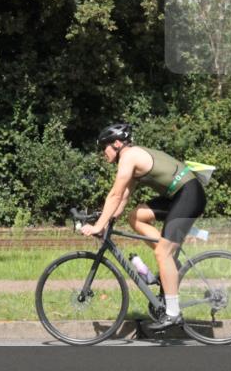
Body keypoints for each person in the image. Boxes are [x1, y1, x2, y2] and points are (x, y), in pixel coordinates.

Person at [80, 122, 207, 330]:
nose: (103, 153)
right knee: (135, 216)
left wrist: (97, 226)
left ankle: (173, 313)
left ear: (118, 144)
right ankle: (167, 260)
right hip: (179, 196)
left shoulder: (129, 157)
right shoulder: (131, 158)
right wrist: (106, 219)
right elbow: (122, 199)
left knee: (163, 254)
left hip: (189, 195)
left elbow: (114, 194)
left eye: (105, 147)